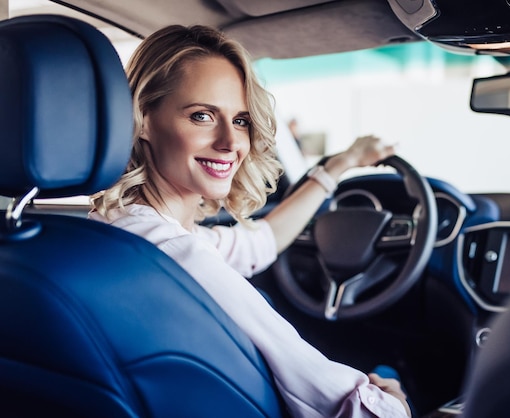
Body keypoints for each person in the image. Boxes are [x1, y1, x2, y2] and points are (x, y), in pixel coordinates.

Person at [89, 24, 410, 418]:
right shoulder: (176, 256)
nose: (231, 142)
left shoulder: (115, 233)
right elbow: (345, 405)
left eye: (241, 120)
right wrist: (395, 402)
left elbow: (260, 242)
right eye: (202, 115)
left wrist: (339, 165)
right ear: (142, 119)